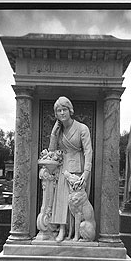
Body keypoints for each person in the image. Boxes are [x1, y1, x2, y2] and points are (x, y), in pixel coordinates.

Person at [48, 96, 93, 242]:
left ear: (70, 110)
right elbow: (51, 152)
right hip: (63, 166)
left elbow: (88, 151)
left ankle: (76, 233)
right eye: (59, 111)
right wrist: (53, 134)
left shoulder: (82, 128)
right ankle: (62, 229)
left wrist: (86, 173)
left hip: (77, 167)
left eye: (64, 109)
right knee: (61, 199)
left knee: (75, 203)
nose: (62, 113)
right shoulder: (59, 130)